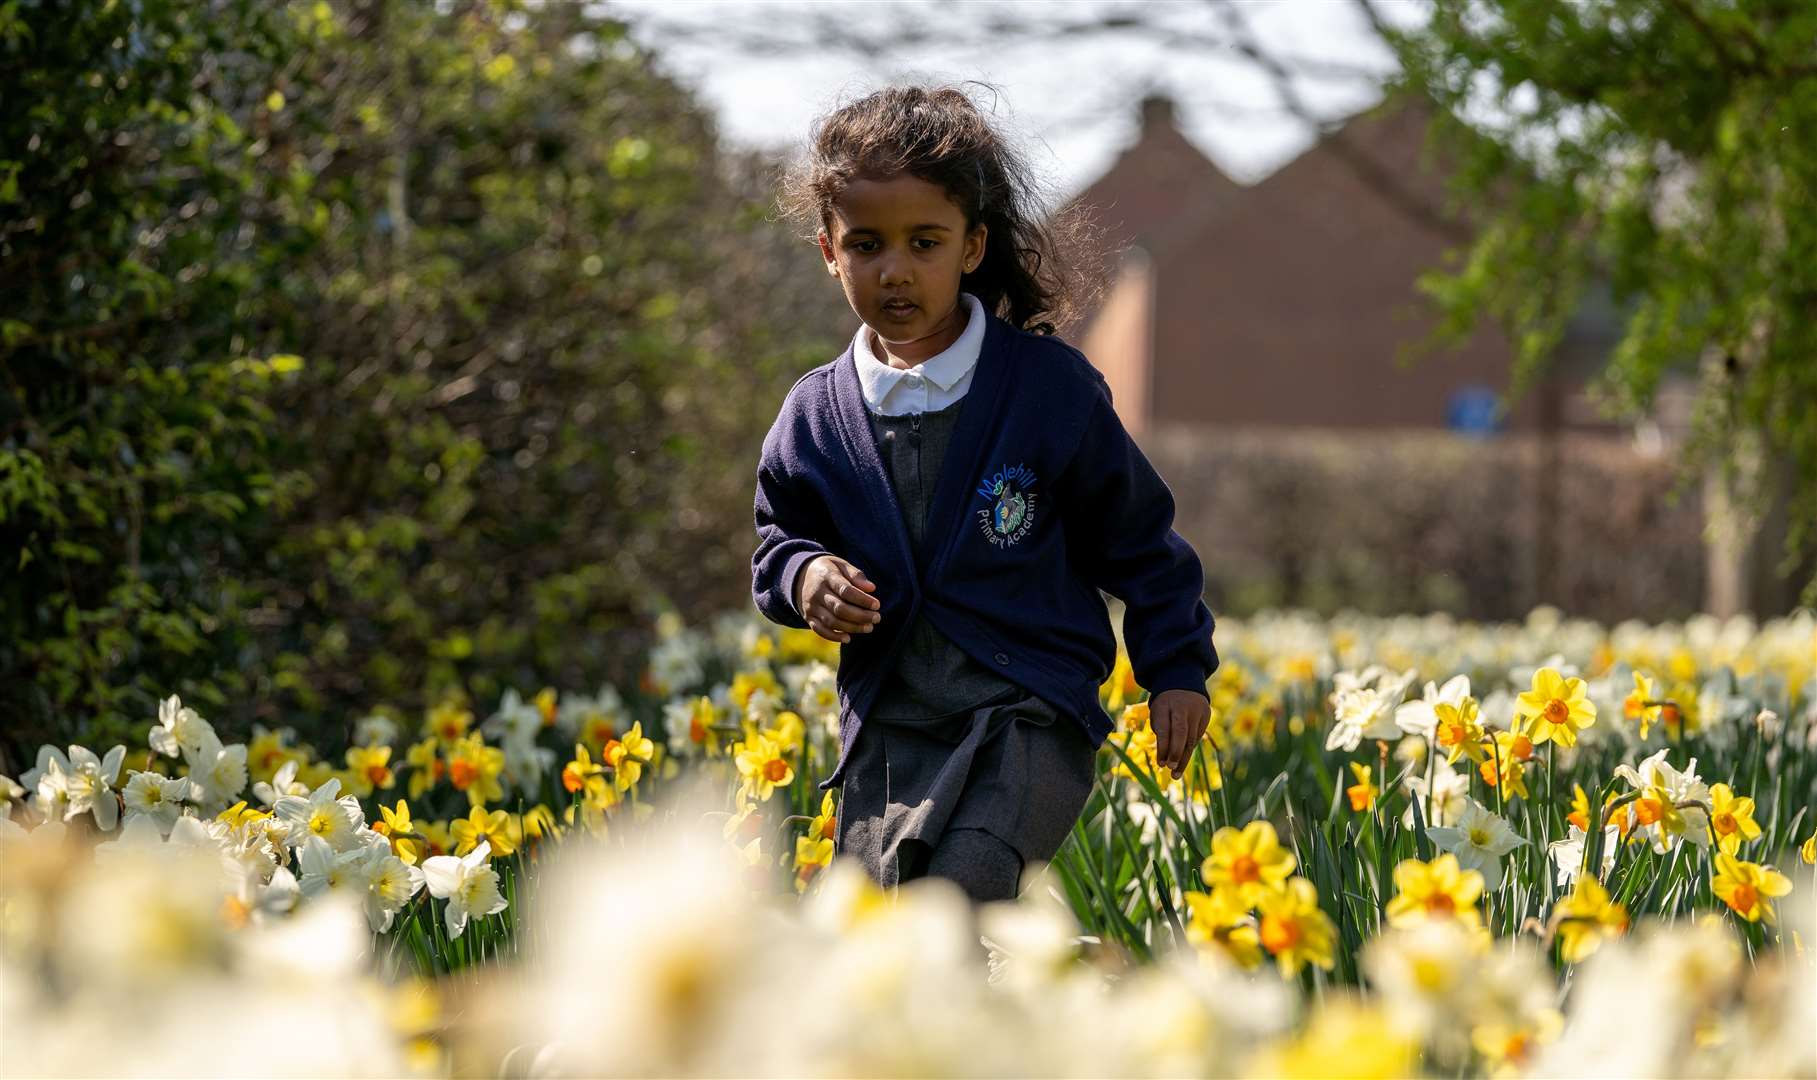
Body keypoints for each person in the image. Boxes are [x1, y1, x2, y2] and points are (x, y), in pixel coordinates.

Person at [754, 83, 1216, 907]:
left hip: (1028, 710)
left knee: (963, 897)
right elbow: (776, 542)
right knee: (878, 942)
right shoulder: (815, 416)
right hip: (892, 725)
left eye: (923, 242)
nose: (894, 270)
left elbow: (1139, 539)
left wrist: (1175, 668)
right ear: (828, 251)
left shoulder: (1046, 390)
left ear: (972, 246)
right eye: (866, 245)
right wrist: (806, 576)